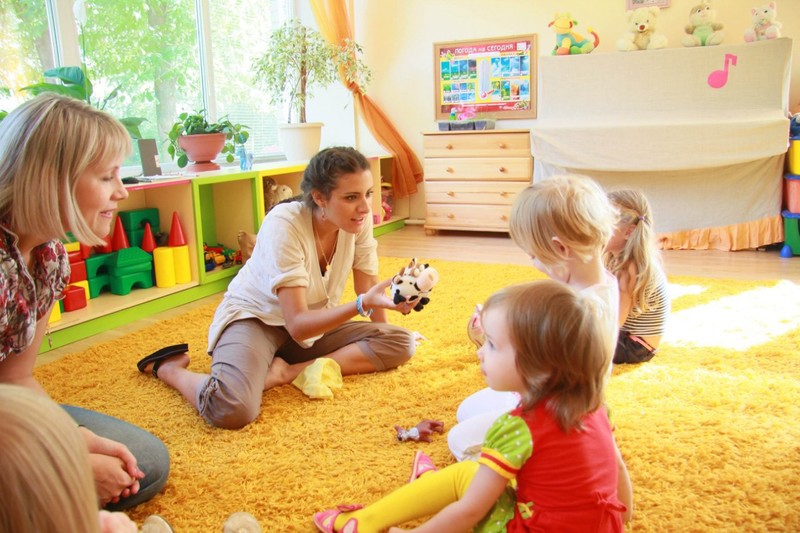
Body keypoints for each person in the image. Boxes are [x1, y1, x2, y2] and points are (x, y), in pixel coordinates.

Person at [313, 281, 633, 532]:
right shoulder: (596, 407)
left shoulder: (517, 427)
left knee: (465, 474)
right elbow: (617, 472)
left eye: (491, 344)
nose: (480, 352)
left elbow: (469, 512)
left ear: (536, 367)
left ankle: (363, 522)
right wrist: (623, 519)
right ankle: (428, 488)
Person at [138, 146, 416, 429]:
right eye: (351, 197)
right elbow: (298, 324)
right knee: (231, 409)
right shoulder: (284, 224)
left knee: (401, 342)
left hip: (310, 328)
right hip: (257, 318)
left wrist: (389, 309)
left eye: (368, 193)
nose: (366, 207)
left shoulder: (357, 220)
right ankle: (170, 369)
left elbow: (367, 287)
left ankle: (287, 371)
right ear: (319, 197)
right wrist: (362, 304)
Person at [0, 93, 169, 510]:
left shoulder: (49, 257)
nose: (123, 192)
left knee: (142, 464)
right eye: (107, 177)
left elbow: (15, 378)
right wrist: (65, 459)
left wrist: (71, 438)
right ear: (51, 180)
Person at [449, 174, 621, 462]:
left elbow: (542, 369)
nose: (533, 263)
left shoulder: (583, 309)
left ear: (560, 249)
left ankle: (529, 468)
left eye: (533, 255)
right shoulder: (596, 284)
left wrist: (502, 342)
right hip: (540, 397)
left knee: (460, 440)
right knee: (466, 411)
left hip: (557, 414)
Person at [604, 189, 670, 364]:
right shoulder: (619, 259)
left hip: (635, 346)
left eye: (603, 226)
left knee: (567, 340)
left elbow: (615, 321)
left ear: (628, 232)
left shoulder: (628, 268)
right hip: (629, 338)